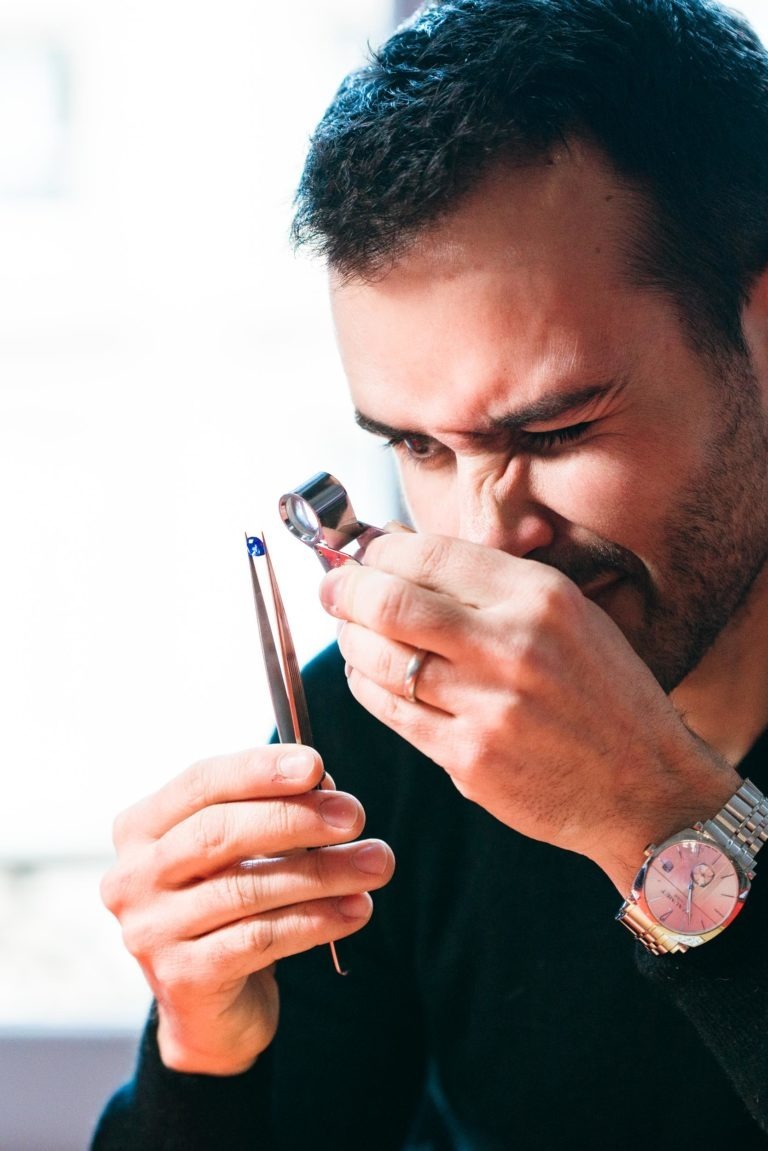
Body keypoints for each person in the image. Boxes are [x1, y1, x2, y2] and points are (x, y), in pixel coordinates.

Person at [93, 1, 768, 1147]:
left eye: (554, 434)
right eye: (417, 448)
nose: (486, 540)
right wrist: (205, 1052)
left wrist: (656, 817)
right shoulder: (383, 736)